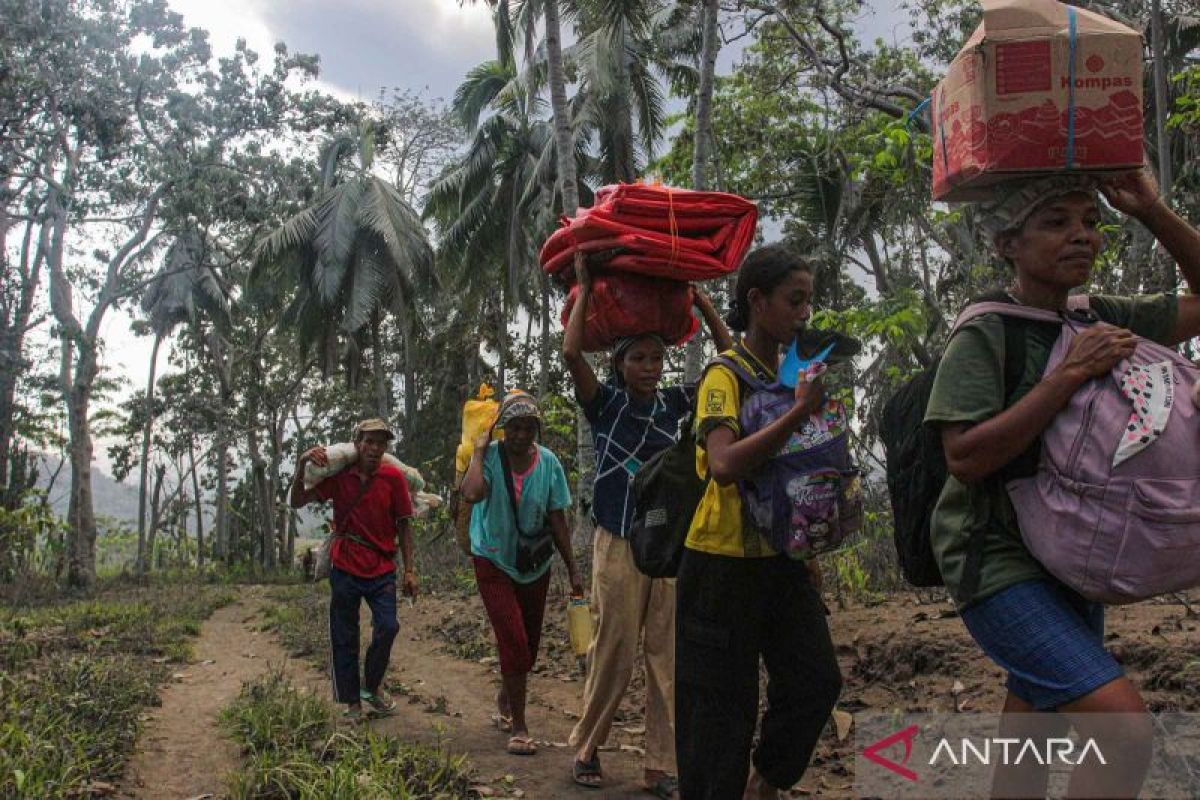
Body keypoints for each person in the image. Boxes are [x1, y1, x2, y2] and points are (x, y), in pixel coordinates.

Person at [927, 170, 1200, 798]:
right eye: (1056, 223)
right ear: (1007, 244)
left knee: (1032, 734)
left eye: (1090, 221)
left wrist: (1152, 210)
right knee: (1124, 731)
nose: (1082, 236)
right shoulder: (985, 333)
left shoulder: (1098, 315)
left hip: (1070, 554)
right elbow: (965, 458)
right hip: (994, 562)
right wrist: (1069, 375)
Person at [675, 243, 842, 800]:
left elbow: (797, 470)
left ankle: (763, 783)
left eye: (808, 302)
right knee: (719, 715)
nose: (804, 314)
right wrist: (800, 412)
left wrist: (808, 552)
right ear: (757, 301)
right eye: (794, 301)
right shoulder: (723, 378)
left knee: (817, 680)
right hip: (720, 567)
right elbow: (723, 465)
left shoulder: (789, 374)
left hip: (782, 562)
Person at [562, 256, 733, 797]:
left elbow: (731, 361)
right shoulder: (606, 406)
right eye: (639, 358)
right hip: (617, 539)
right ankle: (587, 748)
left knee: (668, 655)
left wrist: (703, 305)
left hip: (668, 546)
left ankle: (660, 765)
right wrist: (587, 286)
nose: (651, 366)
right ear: (620, 365)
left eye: (657, 357)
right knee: (613, 649)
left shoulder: (674, 406)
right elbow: (570, 352)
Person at [460, 390, 584, 756]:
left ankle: (507, 692)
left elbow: (557, 517)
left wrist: (574, 570)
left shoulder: (548, 463)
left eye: (529, 428)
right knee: (513, 639)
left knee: (527, 647)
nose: (520, 435)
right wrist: (480, 450)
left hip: (535, 565)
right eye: (513, 427)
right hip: (492, 559)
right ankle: (520, 725)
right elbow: (471, 492)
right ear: (502, 429)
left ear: (537, 431)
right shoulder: (491, 459)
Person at [289, 418, 419, 723]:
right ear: (357, 443)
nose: (374, 448)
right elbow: (297, 501)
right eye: (369, 441)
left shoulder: (393, 479)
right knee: (344, 635)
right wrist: (301, 464)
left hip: (382, 567)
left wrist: (410, 571)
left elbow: (404, 525)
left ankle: (371, 686)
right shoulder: (340, 478)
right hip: (345, 565)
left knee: (388, 627)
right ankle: (352, 704)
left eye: (381, 443)